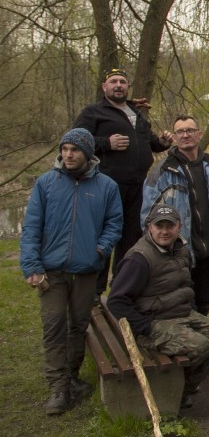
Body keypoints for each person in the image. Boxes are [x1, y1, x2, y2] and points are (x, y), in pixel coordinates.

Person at [21, 128, 123, 415]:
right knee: (54, 326)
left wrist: (100, 250)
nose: (67, 155)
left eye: (74, 150)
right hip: (51, 273)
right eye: (64, 149)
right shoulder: (46, 183)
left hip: (85, 271)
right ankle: (58, 388)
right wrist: (31, 265)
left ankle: (73, 377)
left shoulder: (107, 187)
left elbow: (114, 224)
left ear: (88, 152)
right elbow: (31, 227)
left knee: (78, 326)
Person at [107, 204, 209, 410]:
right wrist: (145, 327)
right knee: (199, 346)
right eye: (159, 226)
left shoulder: (181, 248)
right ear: (150, 227)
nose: (164, 231)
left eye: (170, 226)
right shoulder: (139, 259)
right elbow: (116, 301)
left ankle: (183, 388)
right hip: (155, 321)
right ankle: (172, 396)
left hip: (182, 313)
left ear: (179, 226)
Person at [73, 67, 172, 295]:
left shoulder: (136, 113)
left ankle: (121, 288)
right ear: (104, 87)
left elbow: (150, 143)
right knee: (105, 236)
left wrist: (163, 143)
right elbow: (76, 140)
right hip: (107, 185)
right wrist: (106, 143)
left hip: (138, 187)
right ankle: (94, 293)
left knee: (130, 238)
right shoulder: (94, 112)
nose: (118, 85)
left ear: (128, 87)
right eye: (113, 81)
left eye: (123, 82)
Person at [142, 114, 209, 318]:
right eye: (180, 131)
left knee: (205, 301)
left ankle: (204, 341)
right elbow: (147, 215)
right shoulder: (163, 171)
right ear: (174, 137)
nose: (185, 135)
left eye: (190, 130)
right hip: (181, 251)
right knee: (184, 306)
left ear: (199, 134)